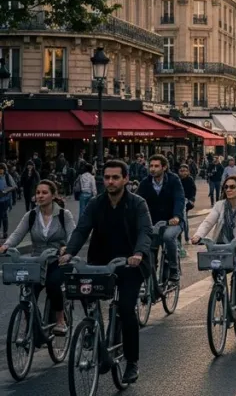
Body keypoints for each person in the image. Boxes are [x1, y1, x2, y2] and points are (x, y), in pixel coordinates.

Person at [61, 160, 152, 384]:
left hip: (131, 264)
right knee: (85, 294)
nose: (110, 182)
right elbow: (82, 230)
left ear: (126, 179)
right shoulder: (95, 203)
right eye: (107, 177)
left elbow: (145, 231)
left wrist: (139, 253)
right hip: (100, 262)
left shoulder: (138, 203)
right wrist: (69, 253)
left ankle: (132, 362)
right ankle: (98, 341)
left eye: (115, 177)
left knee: (125, 308)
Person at [1, 180, 76, 334]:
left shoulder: (63, 215)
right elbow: (17, 234)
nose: (40, 196)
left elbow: (73, 236)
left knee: (53, 284)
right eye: (38, 193)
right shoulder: (31, 215)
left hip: (58, 260)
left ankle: (60, 320)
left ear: (53, 195)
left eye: (44, 193)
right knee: (28, 290)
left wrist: (67, 249)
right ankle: (33, 326)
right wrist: (6, 246)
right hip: (37, 260)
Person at [191, 175, 236, 333]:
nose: (228, 190)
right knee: (217, 272)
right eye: (226, 187)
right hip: (223, 247)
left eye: (232, 187)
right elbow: (208, 222)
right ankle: (221, 293)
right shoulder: (220, 205)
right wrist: (198, 235)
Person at [135, 154, 186, 281]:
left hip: (172, 221)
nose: (152, 169)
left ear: (164, 167)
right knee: (150, 249)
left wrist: (177, 216)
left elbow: (179, 199)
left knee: (168, 237)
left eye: (156, 166)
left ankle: (174, 269)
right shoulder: (145, 182)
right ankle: (152, 284)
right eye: (150, 166)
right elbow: (137, 201)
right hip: (152, 222)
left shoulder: (174, 180)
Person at [0, 164, 16, 239]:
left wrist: (6, 191)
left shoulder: (7, 176)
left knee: (4, 216)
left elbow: (14, 186)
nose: (0, 170)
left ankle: (5, 232)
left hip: (5, 199)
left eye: (2, 169)